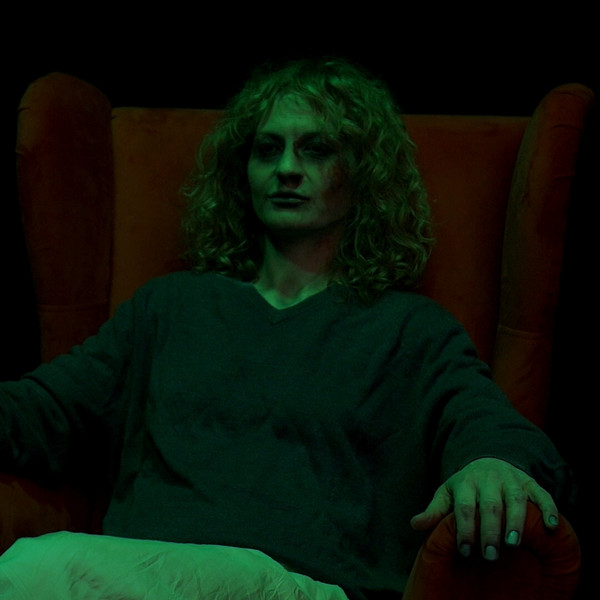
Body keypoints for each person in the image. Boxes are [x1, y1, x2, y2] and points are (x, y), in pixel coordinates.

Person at [0, 58, 573, 599]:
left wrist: (492, 462)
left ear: (362, 173)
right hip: (139, 573)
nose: (287, 169)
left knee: (40, 569)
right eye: (267, 149)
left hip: (305, 585)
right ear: (242, 172)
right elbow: (44, 411)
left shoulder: (409, 329)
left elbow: (491, 426)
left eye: (316, 149)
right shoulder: (170, 306)